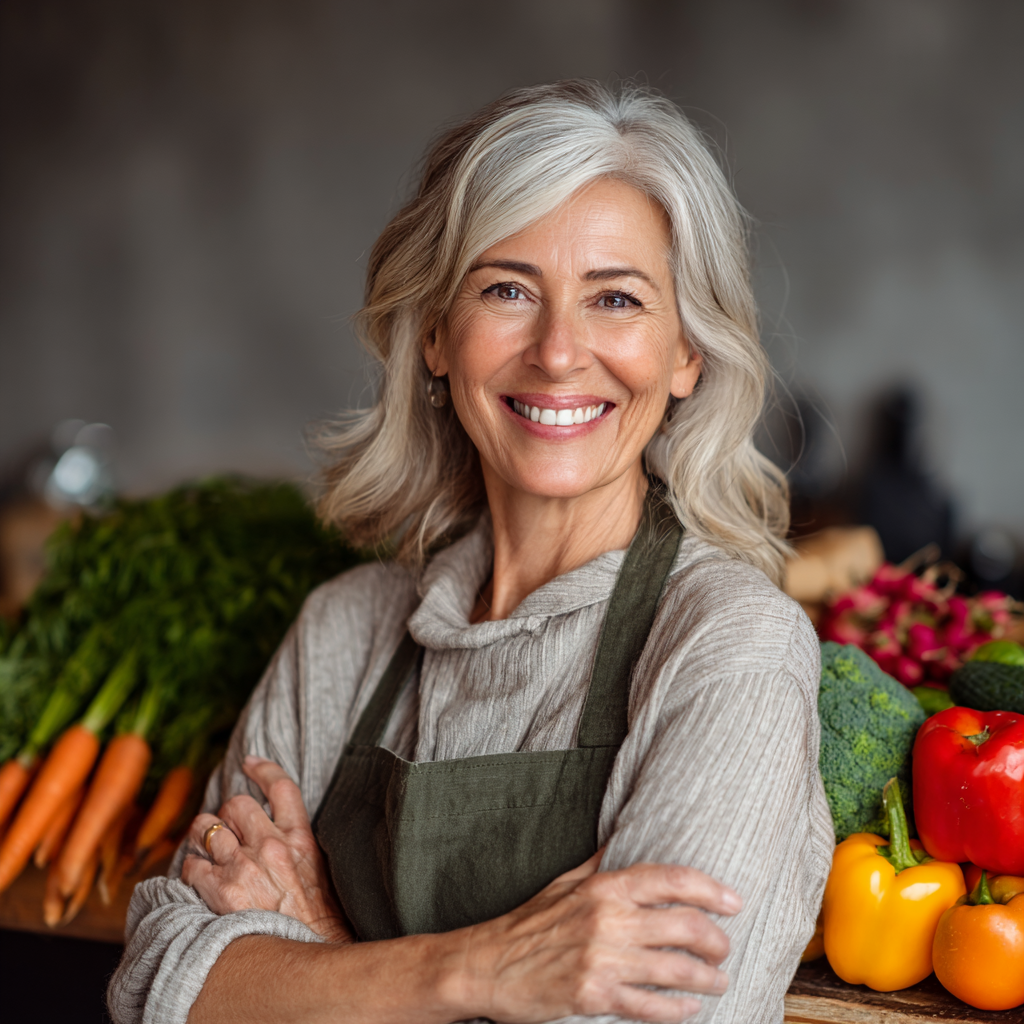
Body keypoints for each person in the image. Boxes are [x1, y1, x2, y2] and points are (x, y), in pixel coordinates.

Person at [109, 80, 832, 1024]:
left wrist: (320, 948)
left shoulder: (730, 648)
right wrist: (477, 971)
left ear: (686, 354)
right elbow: (159, 980)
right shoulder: (348, 629)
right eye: (506, 290)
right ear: (438, 337)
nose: (560, 352)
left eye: (616, 298)